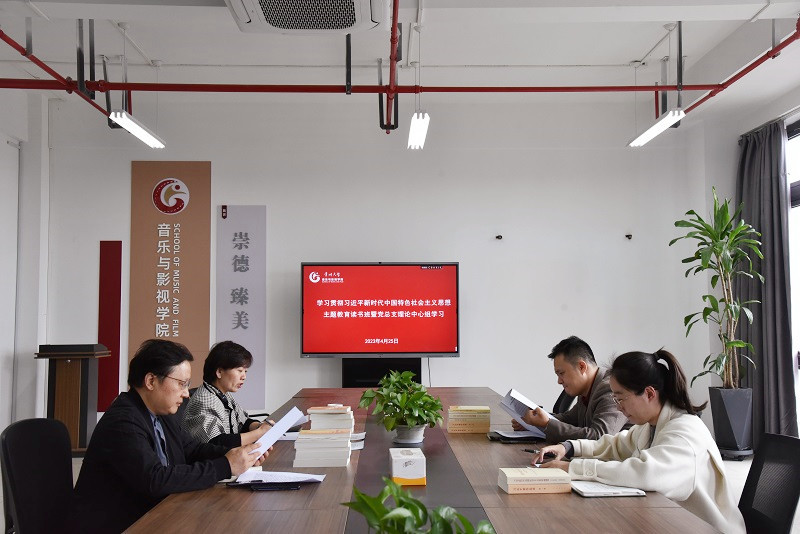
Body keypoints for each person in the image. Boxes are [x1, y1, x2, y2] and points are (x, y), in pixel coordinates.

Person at [534, 350, 746, 534]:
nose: (618, 407)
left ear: (649, 393)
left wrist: (572, 468)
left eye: (620, 398)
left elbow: (645, 473)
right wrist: (569, 447)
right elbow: (615, 445)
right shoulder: (650, 425)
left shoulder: (685, 434)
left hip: (706, 528)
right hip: (673, 523)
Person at [73, 339, 271, 533]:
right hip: (120, 525)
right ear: (151, 381)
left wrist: (239, 455)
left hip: (155, 514)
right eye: (181, 384)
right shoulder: (124, 422)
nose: (186, 394)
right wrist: (225, 466)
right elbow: (155, 479)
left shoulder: (160, 412)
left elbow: (192, 449)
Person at [512, 335, 627, 442]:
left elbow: (600, 438)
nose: (559, 381)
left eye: (561, 373)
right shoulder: (588, 388)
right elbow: (569, 419)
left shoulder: (610, 388)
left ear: (581, 366)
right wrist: (534, 422)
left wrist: (546, 424)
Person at [182, 340, 270, 446]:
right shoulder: (204, 400)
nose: (244, 377)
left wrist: (260, 426)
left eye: (245, 371)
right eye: (239, 370)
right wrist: (259, 433)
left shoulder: (224, 393)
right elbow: (217, 442)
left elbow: (242, 422)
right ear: (219, 372)